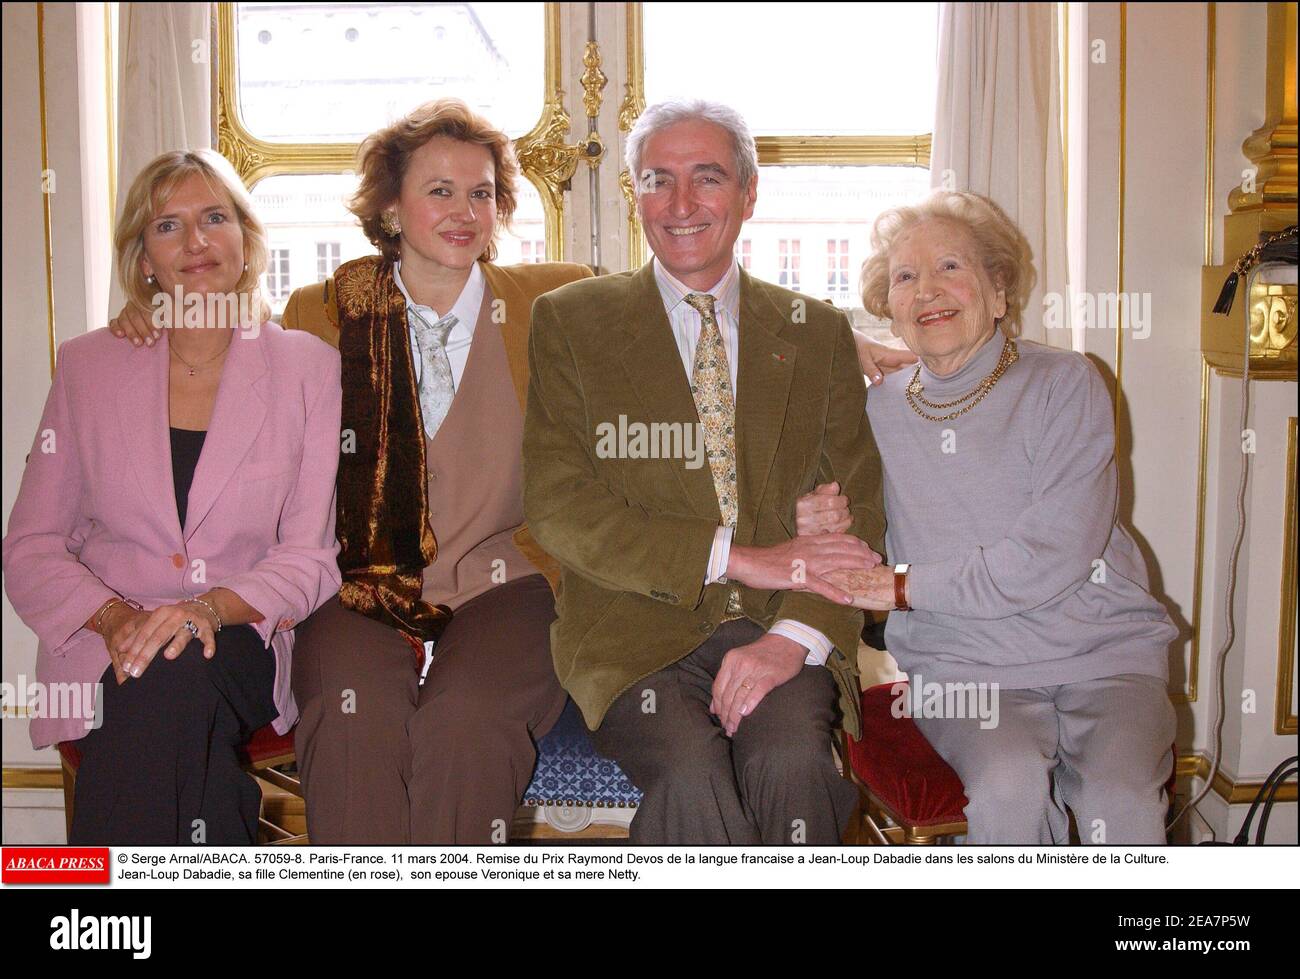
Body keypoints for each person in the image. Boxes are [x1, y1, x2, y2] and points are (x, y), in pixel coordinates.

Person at [522, 99, 887, 845]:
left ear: (749, 194)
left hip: (781, 617)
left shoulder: (814, 330)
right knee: (689, 771)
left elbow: (859, 511)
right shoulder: (571, 321)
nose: (681, 204)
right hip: (632, 631)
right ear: (635, 196)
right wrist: (736, 555)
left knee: (792, 760)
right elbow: (560, 506)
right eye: (658, 180)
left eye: (708, 178)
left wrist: (793, 637)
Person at [3, 149, 342, 845]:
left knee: (171, 675)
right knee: (165, 692)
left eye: (215, 217)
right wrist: (115, 616)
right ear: (143, 259)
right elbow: (31, 545)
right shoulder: (90, 366)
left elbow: (309, 558)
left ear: (245, 242)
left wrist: (201, 610)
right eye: (168, 225)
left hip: (240, 633)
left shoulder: (307, 366)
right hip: (108, 642)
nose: (196, 241)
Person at [834, 190, 1177, 844]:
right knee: (1006, 791)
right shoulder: (876, 410)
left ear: (999, 292)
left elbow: (1052, 556)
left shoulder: (1066, 383)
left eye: (951, 268)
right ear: (889, 308)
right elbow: (742, 325)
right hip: (964, 666)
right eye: (905, 276)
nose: (927, 289)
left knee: (1119, 799)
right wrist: (834, 340)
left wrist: (905, 587)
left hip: (1101, 653)